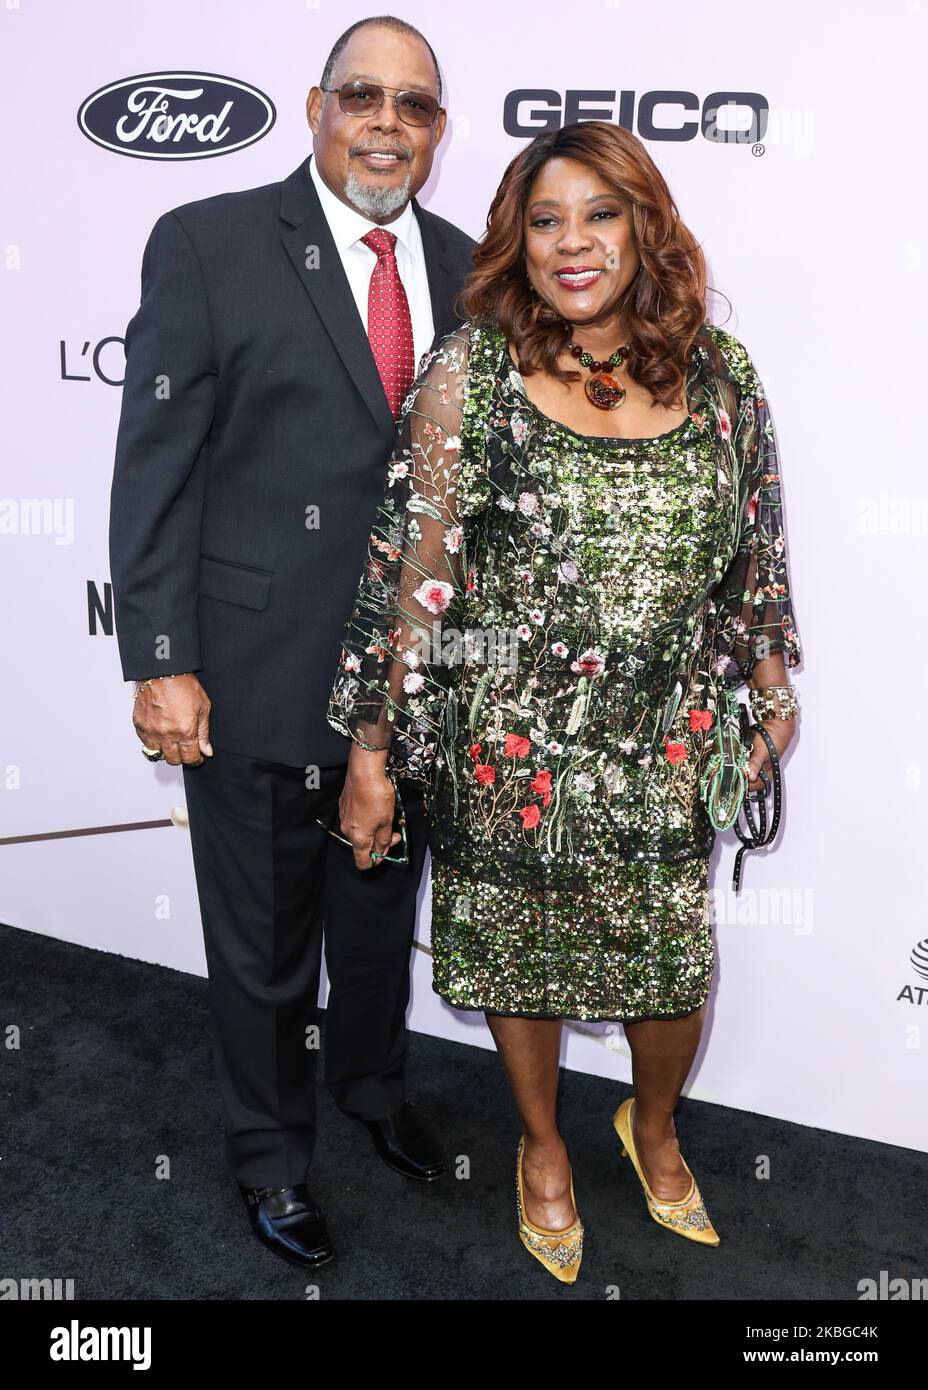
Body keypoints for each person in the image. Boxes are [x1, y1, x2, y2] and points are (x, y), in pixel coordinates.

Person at [326, 119, 803, 1283]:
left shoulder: (720, 373)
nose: (573, 243)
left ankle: (650, 1123)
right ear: (516, 240)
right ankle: (541, 1146)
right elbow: (412, 572)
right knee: (517, 965)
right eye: (546, 220)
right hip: (508, 745)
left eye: (601, 213)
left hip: (664, 735)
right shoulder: (470, 372)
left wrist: (773, 680)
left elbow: (755, 547)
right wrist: (374, 750)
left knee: (667, 971)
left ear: (647, 227)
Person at [108, 16, 475, 1269]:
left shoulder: (472, 266)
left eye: (413, 106)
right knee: (264, 942)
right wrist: (158, 654)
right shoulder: (208, 243)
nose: (386, 123)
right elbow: (154, 460)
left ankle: (371, 1092)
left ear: (436, 129)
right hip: (255, 668)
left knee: (377, 913)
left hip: (411, 681)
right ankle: (271, 1155)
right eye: (362, 97)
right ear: (316, 105)